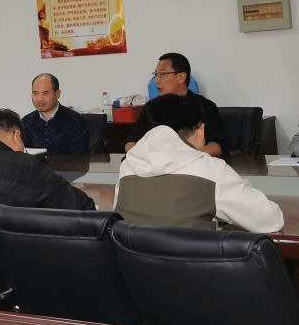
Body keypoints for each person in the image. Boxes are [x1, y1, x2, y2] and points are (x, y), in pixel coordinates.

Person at [115, 94, 283, 233]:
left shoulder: (127, 167)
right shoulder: (211, 170)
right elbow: (271, 219)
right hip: (195, 264)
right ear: (201, 130)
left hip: (134, 263)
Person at [124, 52, 227, 156]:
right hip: (158, 163)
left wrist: (187, 157)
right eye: (156, 74)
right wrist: (143, 156)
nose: (157, 80)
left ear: (181, 77)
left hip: (193, 162)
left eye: (162, 74)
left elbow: (220, 144)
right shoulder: (151, 107)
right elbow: (131, 141)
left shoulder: (205, 106)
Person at [21, 73, 88, 153]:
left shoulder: (75, 119)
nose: (39, 99)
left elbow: (78, 156)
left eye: (45, 93)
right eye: (35, 93)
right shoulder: (26, 122)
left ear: (57, 94)